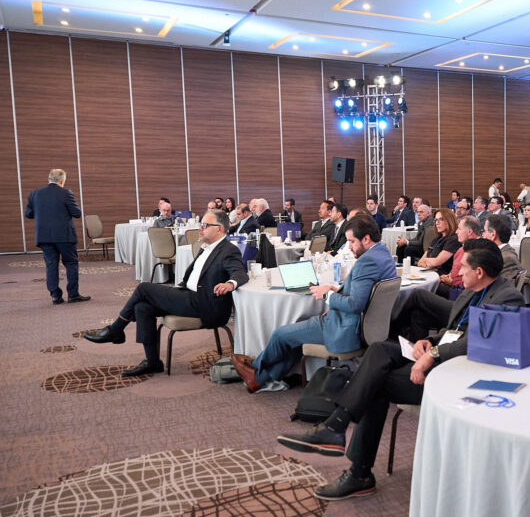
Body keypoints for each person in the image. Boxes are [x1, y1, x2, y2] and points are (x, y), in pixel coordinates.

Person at [276, 246, 525, 500]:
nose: (458, 272)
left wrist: (433, 353)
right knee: (379, 349)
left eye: (464, 267)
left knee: (375, 383)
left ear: (480, 272)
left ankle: (355, 467)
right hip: (441, 360)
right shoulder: (472, 292)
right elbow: (454, 330)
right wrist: (429, 341)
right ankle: (337, 428)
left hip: (458, 375)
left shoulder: (506, 298)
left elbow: (476, 341)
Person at [231, 215, 397, 392]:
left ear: (366, 238)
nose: (349, 247)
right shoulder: (383, 254)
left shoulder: (366, 262)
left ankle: (254, 367)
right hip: (365, 326)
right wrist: (337, 291)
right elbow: (365, 295)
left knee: (281, 334)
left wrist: (327, 295)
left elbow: (355, 305)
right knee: (296, 337)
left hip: (345, 328)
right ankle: (259, 379)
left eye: (351, 241)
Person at [82, 209, 247, 376]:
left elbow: (240, 273)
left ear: (219, 229)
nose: (200, 228)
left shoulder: (228, 250)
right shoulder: (206, 248)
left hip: (206, 304)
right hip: (188, 295)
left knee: (143, 288)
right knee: (142, 307)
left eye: (205, 225)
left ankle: (115, 330)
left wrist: (230, 284)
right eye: (201, 224)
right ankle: (153, 362)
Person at [25, 168, 90, 305]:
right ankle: (73, 295)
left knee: (51, 265)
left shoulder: (35, 194)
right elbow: (77, 213)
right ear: (62, 180)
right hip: (64, 236)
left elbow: (28, 214)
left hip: (44, 236)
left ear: (49, 178)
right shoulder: (66, 193)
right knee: (71, 264)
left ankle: (55, 296)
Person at [438, 216, 481, 296]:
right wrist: (448, 276)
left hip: (463, 294)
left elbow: (474, 281)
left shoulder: (478, 251)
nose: (456, 232)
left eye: (459, 229)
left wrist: (451, 282)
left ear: (469, 232)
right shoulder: (462, 248)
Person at [419, 208, 461, 276]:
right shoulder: (437, 239)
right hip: (430, 273)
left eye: (441, 219)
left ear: (449, 221)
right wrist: (431, 263)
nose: (437, 223)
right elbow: (420, 262)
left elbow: (437, 262)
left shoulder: (453, 239)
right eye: (436, 220)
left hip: (442, 276)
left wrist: (429, 262)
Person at [484, 214, 521, 284]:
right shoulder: (506, 252)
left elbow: (503, 288)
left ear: (493, 234)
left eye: (485, 231)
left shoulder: (506, 259)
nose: (483, 235)